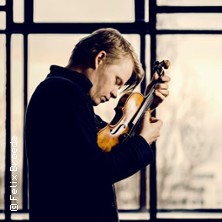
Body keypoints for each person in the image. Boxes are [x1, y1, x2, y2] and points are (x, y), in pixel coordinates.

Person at [25, 28, 170, 222]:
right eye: (117, 81)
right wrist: (143, 142)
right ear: (99, 58)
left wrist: (148, 105)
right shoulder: (62, 95)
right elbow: (95, 173)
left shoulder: (66, 94)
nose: (114, 93)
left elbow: (111, 144)